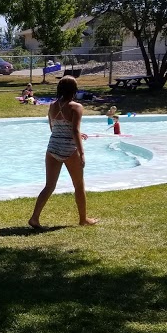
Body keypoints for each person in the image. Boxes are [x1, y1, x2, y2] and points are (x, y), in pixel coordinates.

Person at [28, 76, 98, 229]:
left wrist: (73, 134)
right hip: (69, 149)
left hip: (53, 146)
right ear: (74, 90)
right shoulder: (76, 107)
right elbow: (74, 130)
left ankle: (34, 218)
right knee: (79, 185)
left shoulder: (52, 106)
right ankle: (83, 219)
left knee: (49, 185)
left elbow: (53, 128)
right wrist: (82, 153)